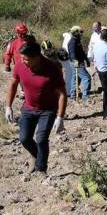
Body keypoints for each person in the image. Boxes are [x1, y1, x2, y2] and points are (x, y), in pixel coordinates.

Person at [5, 41, 67, 174]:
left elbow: (62, 94)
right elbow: (13, 84)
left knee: (41, 139)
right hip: (28, 107)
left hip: (48, 110)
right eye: (21, 58)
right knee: (24, 138)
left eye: (26, 59)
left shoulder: (52, 69)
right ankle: (36, 156)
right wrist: (8, 106)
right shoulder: (20, 65)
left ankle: (41, 169)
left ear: (37, 57)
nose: (22, 61)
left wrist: (60, 117)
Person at [68, 26, 91, 101]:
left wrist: (86, 59)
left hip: (78, 61)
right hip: (76, 62)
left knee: (76, 78)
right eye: (80, 32)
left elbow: (81, 52)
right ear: (75, 33)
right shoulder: (72, 42)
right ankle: (85, 96)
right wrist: (75, 61)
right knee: (86, 78)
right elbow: (72, 54)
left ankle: (73, 94)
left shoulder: (77, 40)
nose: (81, 34)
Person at [62, 31, 73, 97]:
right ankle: (68, 91)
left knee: (67, 75)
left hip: (64, 58)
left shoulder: (66, 36)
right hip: (68, 58)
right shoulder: (70, 38)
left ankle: (68, 90)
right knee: (69, 75)